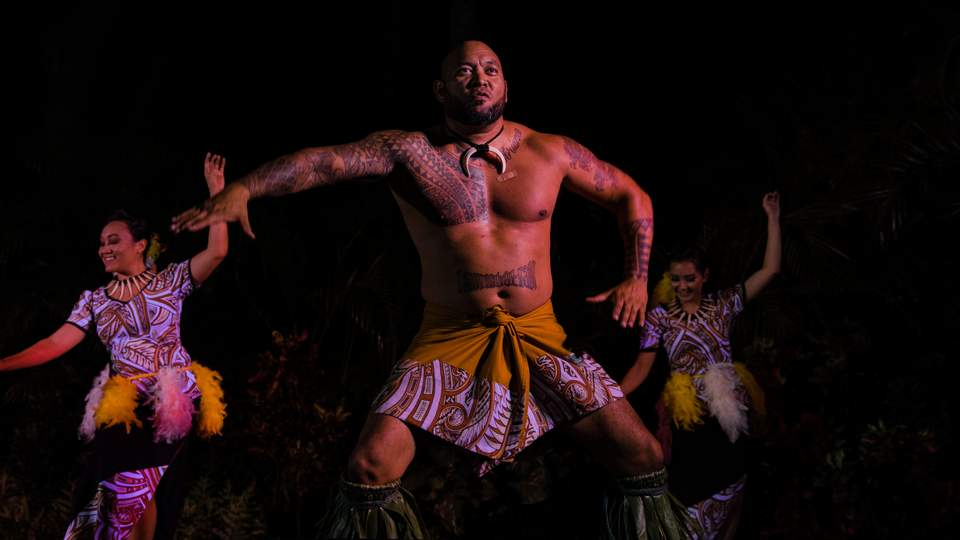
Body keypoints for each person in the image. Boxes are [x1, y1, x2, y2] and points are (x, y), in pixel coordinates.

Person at [173, 41, 691, 539]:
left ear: (506, 85)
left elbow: (632, 195)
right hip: (448, 335)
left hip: (540, 333)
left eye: (490, 69)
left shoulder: (550, 152)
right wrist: (245, 187)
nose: (479, 78)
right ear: (441, 90)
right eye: (464, 71)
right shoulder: (409, 151)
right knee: (370, 465)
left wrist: (638, 277)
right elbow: (323, 162)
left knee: (642, 457)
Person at [1, 153, 230, 539]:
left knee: (141, 488)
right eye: (101, 243)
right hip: (121, 406)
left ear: (140, 245)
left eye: (113, 241)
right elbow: (55, 343)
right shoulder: (94, 299)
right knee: (117, 493)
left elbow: (218, 252)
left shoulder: (171, 281)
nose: (103, 248)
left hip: (165, 402)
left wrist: (217, 194)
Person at [620, 192, 781, 540]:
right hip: (688, 415)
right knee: (689, 485)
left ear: (704, 276)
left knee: (734, 480)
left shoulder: (724, 304)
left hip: (727, 411)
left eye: (689, 278)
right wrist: (610, 399)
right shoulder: (659, 318)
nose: (682, 286)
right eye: (676, 280)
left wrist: (772, 217)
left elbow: (770, 270)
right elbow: (641, 368)